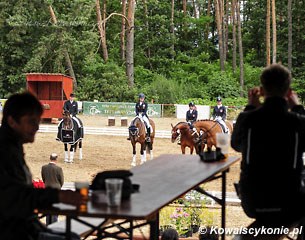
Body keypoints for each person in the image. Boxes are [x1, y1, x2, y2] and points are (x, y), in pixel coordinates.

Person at [0, 92, 83, 240]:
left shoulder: (13, 148)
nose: (37, 127)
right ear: (12, 121)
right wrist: (59, 196)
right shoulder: (5, 152)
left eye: (38, 121)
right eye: (32, 121)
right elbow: (16, 197)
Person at [231, 64, 305, 229]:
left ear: (262, 91)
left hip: (253, 204)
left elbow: (235, 144)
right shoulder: (297, 121)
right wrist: (298, 107)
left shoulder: (247, 119)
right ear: (288, 92)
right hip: (290, 205)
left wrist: (250, 106)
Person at [41, 153, 64, 225]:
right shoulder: (58, 169)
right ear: (56, 159)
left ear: (50, 158)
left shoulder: (44, 167)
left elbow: (43, 177)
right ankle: (54, 224)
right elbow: (61, 180)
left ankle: (48, 223)